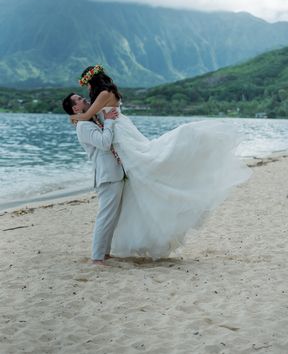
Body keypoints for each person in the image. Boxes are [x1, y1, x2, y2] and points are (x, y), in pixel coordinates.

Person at [70, 65, 252, 259]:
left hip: (121, 135)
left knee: (148, 165)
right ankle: (111, 247)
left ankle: (103, 252)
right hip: (122, 131)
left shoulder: (104, 94)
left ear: (92, 82)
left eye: (87, 85)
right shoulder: (108, 92)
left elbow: (87, 116)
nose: (86, 91)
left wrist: (73, 118)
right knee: (142, 174)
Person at [62, 92, 125, 266]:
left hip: (115, 173)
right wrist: (109, 121)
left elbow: (110, 103)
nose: (85, 99)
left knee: (112, 217)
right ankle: (97, 257)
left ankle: (105, 253)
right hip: (106, 175)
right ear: (76, 108)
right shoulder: (83, 126)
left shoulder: (92, 119)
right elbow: (104, 143)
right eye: (80, 100)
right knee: (105, 217)